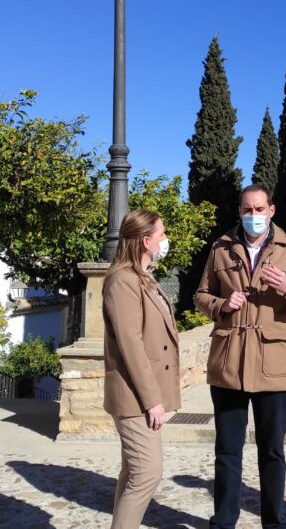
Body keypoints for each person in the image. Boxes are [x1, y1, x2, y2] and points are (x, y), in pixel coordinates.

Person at [195, 184, 286, 529]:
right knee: (227, 451)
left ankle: (273, 523)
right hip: (228, 365)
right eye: (247, 210)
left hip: (273, 366)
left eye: (259, 210)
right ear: (239, 211)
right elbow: (201, 295)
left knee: (272, 451)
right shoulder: (221, 247)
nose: (253, 216)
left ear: (272, 211)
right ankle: (223, 522)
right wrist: (222, 305)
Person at [102, 209, 181, 529]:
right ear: (146, 241)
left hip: (141, 394)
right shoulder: (123, 280)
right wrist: (152, 399)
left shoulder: (141, 277)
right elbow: (130, 343)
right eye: (161, 234)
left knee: (133, 472)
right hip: (134, 396)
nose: (165, 240)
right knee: (147, 473)